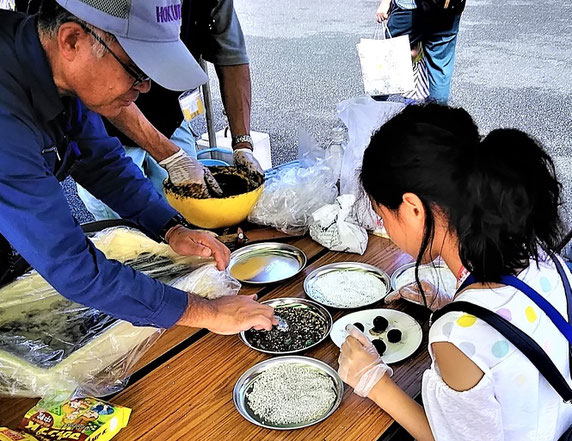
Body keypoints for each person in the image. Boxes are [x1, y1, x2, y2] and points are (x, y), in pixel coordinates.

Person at [0, 0, 276, 333]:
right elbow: (72, 266)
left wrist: (172, 228)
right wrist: (208, 312)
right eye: (136, 71)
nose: (145, 88)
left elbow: (101, 162)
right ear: (72, 40)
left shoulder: (61, 75)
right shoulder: (6, 117)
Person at [338, 104, 572, 440]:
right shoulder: (541, 256)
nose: (383, 227)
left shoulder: (456, 339)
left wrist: (373, 381)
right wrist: (454, 303)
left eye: (381, 216)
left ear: (413, 208)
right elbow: (516, 324)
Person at [76, 0, 262, 220]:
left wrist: (242, 144)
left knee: (189, 208)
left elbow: (232, 56)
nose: (145, 85)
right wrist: (172, 157)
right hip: (106, 126)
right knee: (129, 228)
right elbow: (103, 86)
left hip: (169, 116)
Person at [375, 0, 464, 103]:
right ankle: (437, 112)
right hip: (445, 8)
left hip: (408, 8)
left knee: (391, 58)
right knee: (439, 66)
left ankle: (376, 108)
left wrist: (385, 3)